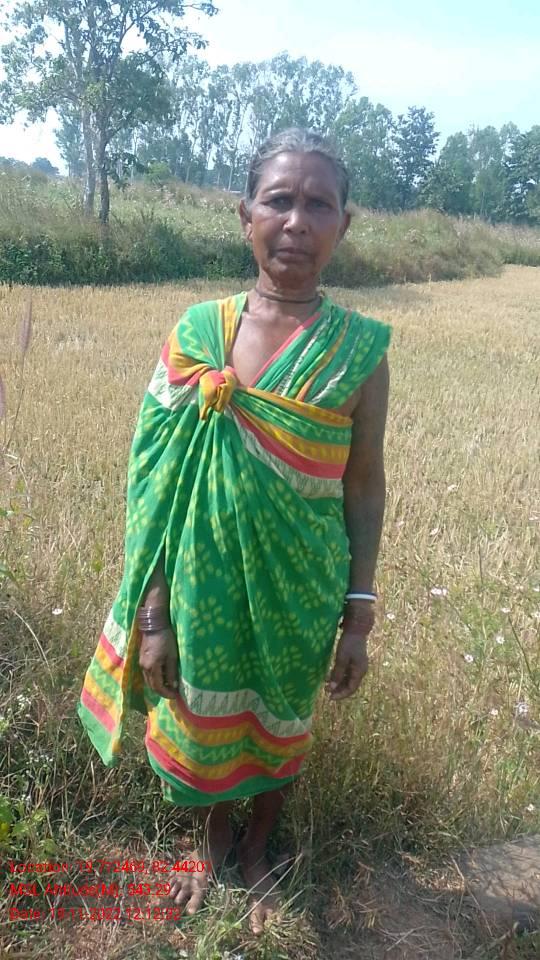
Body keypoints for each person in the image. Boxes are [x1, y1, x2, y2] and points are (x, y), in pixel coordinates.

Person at [78, 127, 392, 936]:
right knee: (198, 713)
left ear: (344, 223)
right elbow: (153, 484)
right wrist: (153, 614)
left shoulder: (360, 352)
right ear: (244, 214)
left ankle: (257, 849)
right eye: (278, 200)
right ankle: (210, 843)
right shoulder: (196, 335)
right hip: (199, 580)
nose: (296, 221)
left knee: (282, 713)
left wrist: (358, 613)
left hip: (303, 583)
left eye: (318, 204)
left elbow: (364, 484)